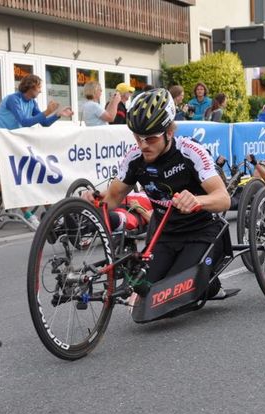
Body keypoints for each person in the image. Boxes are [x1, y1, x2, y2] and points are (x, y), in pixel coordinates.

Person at [82, 88, 237, 299]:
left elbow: (223, 199)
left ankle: (210, 285)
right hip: (165, 233)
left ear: (169, 132)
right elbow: (112, 198)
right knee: (143, 289)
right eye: (138, 138)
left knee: (174, 295)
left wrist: (197, 200)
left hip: (202, 230)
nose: (143, 145)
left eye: (151, 139)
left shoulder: (190, 151)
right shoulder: (135, 158)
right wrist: (91, 201)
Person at [0, 73, 73, 227]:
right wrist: (46, 112)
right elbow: (24, 121)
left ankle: (50, 211)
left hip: (17, 142)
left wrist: (58, 115)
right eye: (39, 88)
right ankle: (28, 214)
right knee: (18, 177)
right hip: (4, 142)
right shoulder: (13, 99)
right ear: (30, 87)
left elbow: (43, 123)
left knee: (34, 174)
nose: (40, 91)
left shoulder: (32, 102)